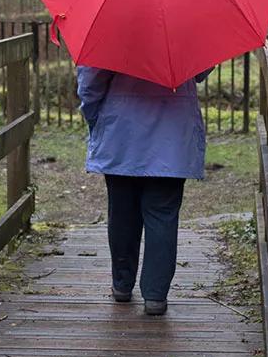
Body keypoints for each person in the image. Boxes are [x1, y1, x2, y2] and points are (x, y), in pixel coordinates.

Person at [76, 66, 213, 315]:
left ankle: (122, 285)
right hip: (172, 133)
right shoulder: (184, 27)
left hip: (122, 132)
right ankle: (155, 296)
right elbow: (200, 70)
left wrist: (96, 116)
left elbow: (90, 83)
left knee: (121, 212)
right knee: (163, 215)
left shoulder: (110, 30)